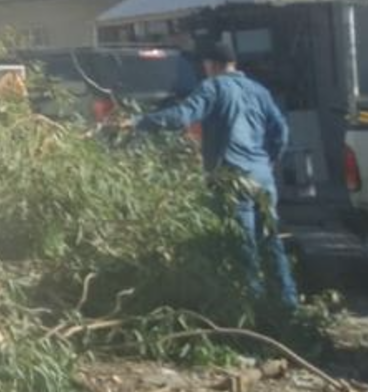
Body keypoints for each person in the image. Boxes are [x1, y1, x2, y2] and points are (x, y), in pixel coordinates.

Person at [124, 38, 299, 310]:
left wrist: (139, 122)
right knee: (271, 244)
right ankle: (288, 309)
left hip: (232, 177)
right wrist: (268, 161)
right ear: (234, 64)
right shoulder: (259, 90)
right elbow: (281, 132)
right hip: (263, 179)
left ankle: (251, 315)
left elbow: (183, 116)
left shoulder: (213, 88)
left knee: (243, 249)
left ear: (211, 65)